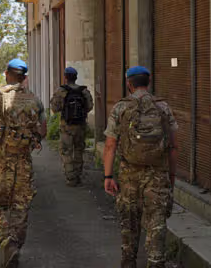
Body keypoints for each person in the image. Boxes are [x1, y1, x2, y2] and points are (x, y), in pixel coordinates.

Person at [103, 66, 178, 268]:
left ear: (129, 83)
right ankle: (155, 262)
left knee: (129, 223)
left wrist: (108, 176)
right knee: (157, 224)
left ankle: (128, 262)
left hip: (129, 176)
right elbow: (172, 147)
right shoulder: (163, 107)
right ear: (149, 82)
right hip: (158, 174)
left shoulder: (120, 108)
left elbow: (110, 145)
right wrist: (171, 177)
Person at [0, 58, 47, 268]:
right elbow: (42, 131)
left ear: (6, 73)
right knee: (21, 204)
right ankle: (16, 244)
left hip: (1, 160)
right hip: (24, 161)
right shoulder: (35, 100)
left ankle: (6, 241)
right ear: (24, 78)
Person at [49, 67, 94, 186]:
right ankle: (78, 175)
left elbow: (54, 108)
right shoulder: (83, 91)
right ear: (76, 77)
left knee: (66, 151)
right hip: (81, 126)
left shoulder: (61, 91)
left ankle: (71, 177)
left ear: (65, 77)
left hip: (66, 126)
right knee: (79, 149)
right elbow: (89, 106)